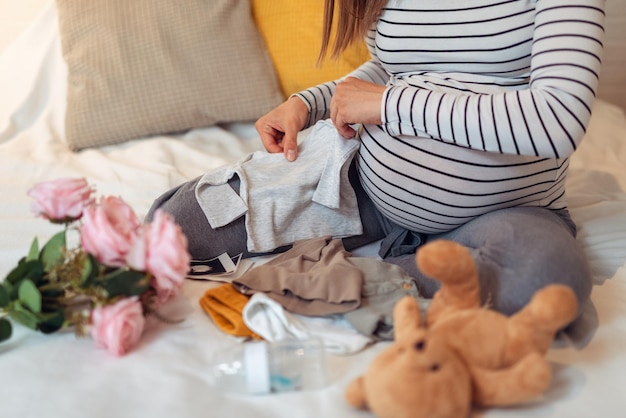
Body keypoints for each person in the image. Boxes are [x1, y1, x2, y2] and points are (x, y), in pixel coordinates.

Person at [147, 0, 606, 317]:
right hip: (367, 187)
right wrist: (313, 104)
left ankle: (340, 279)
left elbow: (558, 119)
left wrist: (388, 105)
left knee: (548, 279)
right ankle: (414, 270)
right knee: (177, 226)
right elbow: (394, 65)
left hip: (506, 210)